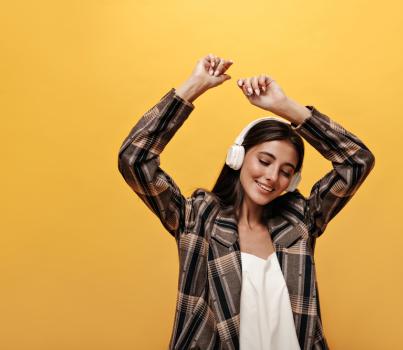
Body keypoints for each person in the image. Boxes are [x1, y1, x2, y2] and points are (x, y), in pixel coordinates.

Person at [117, 54, 375, 350]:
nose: (271, 176)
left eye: (285, 171)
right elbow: (134, 159)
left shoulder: (300, 221)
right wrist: (192, 88)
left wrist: (286, 108)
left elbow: (357, 161)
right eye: (264, 161)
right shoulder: (197, 219)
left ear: (292, 182)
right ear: (237, 157)